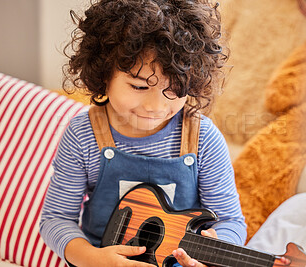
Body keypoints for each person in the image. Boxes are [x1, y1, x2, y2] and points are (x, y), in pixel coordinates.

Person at [39, 0, 247, 266]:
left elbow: (231, 221)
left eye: (173, 91)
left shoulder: (203, 139)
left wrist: (215, 251)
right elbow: (56, 218)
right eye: (138, 87)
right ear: (103, 73)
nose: (155, 107)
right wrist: (93, 258)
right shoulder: (83, 134)